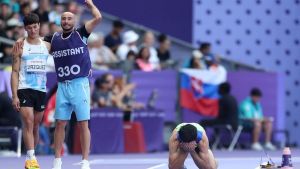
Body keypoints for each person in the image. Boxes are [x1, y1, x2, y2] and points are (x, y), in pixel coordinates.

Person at [13, 1, 101, 168]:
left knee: (83, 123)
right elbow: (34, 40)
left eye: (69, 18)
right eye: (64, 19)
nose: (66, 21)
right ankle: (57, 161)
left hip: (80, 84)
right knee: (60, 123)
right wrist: (21, 39)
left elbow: (98, 18)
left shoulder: (81, 33)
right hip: (62, 86)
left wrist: (90, 4)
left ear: (74, 21)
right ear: (60, 21)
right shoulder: (53, 38)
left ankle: (85, 161)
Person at [11, 13, 50, 169]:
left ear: (39, 25)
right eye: (29, 28)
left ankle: (32, 158)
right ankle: (31, 158)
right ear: (25, 28)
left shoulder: (47, 45)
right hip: (24, 87)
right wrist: (15, 96)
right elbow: (14, 72)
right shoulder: (20, 45)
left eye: (35, 26)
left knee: (36, 125)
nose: (33, 30)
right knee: (28, 122)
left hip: (40, 89)